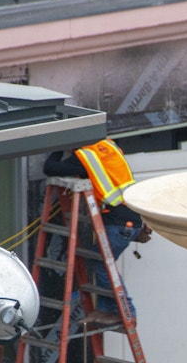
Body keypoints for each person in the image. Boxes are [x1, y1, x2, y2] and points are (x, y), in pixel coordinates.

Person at [43, 138, 147, 327]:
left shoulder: (83, 157)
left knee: (101, 266)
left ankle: (127, 312)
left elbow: (50, 168)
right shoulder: (107, 146)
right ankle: (109, 311)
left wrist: (56, 146)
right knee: (100, 263)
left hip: (120, 222)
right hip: (130, 216)